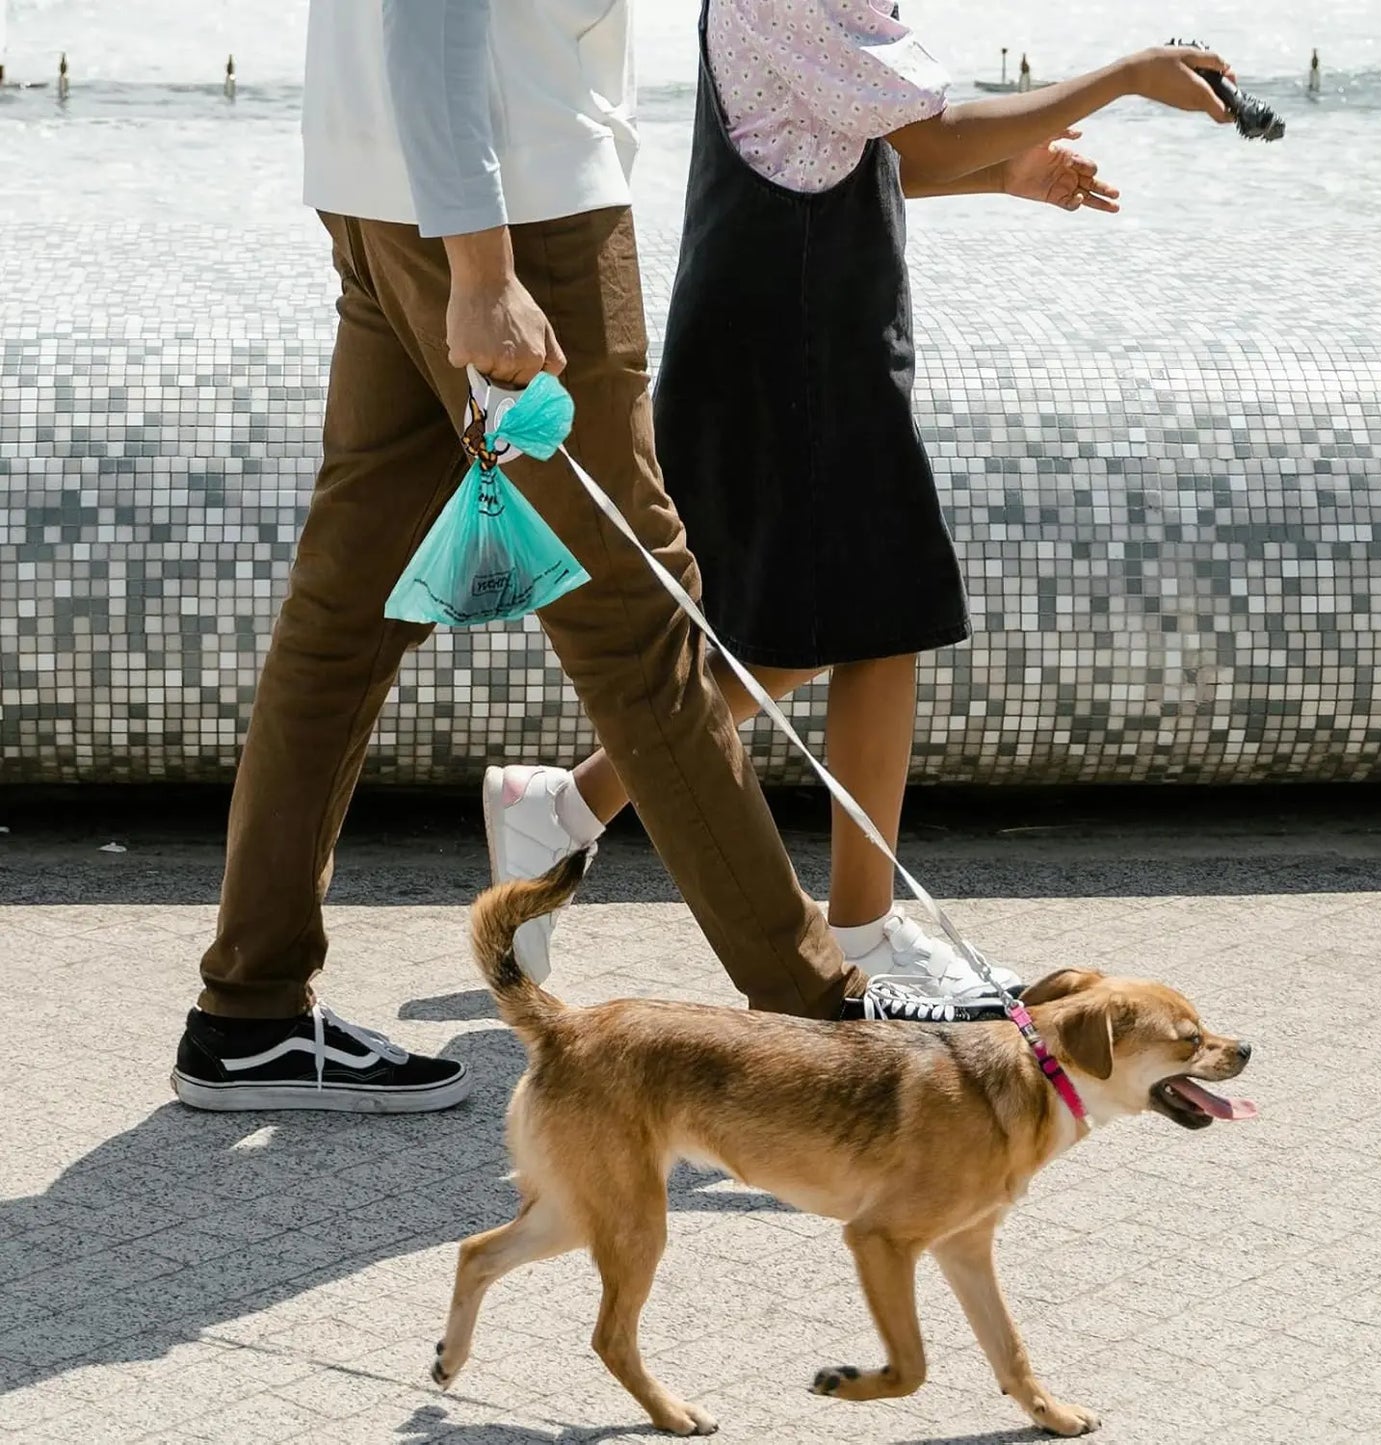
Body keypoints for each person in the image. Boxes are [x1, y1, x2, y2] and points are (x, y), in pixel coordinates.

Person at [172, 0, 1011, 1116]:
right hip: (517, 214)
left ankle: (249, 1011)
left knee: (343, 615)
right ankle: (818, 1014)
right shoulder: (501, 224)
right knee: (637, 622)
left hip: (386, 185)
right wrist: (480, 268)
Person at [485, 4, 1233, 994]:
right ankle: (614, 826)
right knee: (836, 628)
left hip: (819, 340)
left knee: (865, 625)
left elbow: (859, 155)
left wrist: (1002, 174)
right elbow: (924, 133)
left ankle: (603, 822)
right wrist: (1123, 75)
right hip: (784, 346)